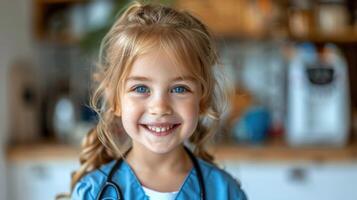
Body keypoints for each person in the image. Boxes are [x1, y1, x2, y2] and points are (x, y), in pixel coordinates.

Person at [71, 1, 247, 200]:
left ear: (202, 99)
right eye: (141, 88)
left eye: (179, 89)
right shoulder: (93, 193)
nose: (160, 107)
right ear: (116, 100)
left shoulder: (225, 192)